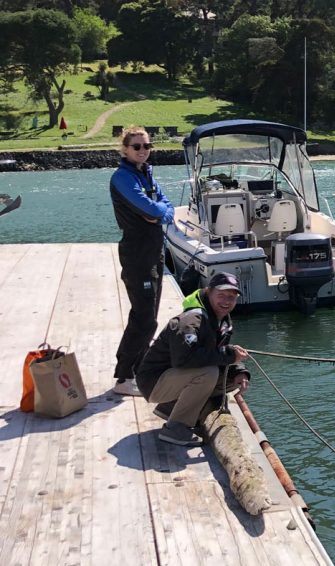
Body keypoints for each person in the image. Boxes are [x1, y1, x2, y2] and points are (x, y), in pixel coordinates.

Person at [135, 272, 251, 446]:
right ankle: (175, 428)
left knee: (230, 380)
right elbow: (184, 360)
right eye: (221, 295)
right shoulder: (191, 320)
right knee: (208, 373)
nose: (226, 301)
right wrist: (229, 356)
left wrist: (239, 371)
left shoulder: (222, 320)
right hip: (153, 382)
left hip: (174, 378)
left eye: (231, 297)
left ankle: (171, 409)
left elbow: (217, 353)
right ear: (208, 291)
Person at [110, 126, 174, 396]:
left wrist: (159, 213)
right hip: (137, 254)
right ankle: (124, 378)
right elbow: (150, 208)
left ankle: (137, 370)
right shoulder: (123, 178)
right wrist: (158, 211)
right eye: (136, 147)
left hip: (154, 252)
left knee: (150, 316)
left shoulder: (145, 174)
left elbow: (167, 207)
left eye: (147, 146)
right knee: (143, 317)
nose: (143, 151)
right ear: (125, 149)